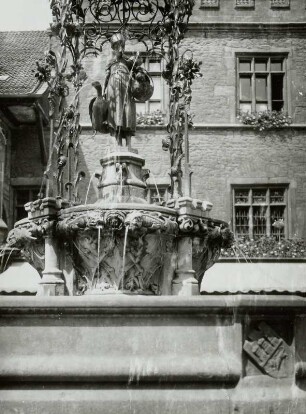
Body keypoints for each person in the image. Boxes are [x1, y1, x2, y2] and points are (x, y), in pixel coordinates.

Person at [102, 33, 140, 148]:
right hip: (113, 88)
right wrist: (103, 91)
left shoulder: (128, 62)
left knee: (127, 113)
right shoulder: (111, 62)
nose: (120, 49)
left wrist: (136, 60)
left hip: (126, 87)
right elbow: (106, 77)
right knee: (115, 114)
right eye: (117, 46)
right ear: (113, 48)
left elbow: (137, 69)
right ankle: (117, 144)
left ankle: (128, 144)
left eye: (121, 46)